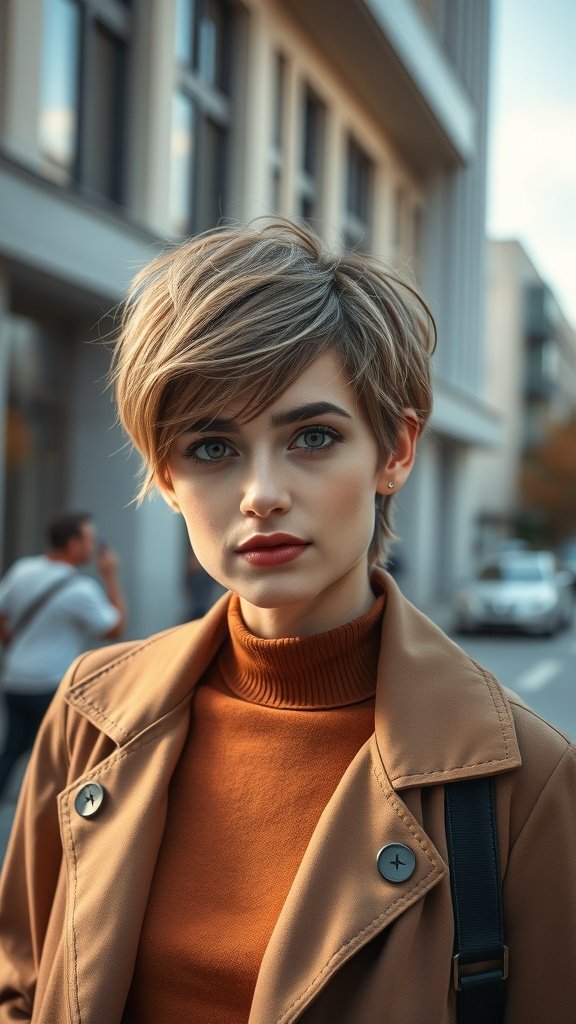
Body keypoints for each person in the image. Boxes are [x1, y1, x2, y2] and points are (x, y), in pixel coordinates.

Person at [0, 221, 575, 1023]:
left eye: (312, 437)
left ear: (394, 451)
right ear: (165, 476)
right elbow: (22, 989)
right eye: (211, 446)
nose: (260, 493)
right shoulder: (93, 711)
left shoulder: (527, 783)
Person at [0, 511, 125, 800]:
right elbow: (115, 627)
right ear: (72, 544)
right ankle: (51, 812)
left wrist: (13, 645)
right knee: (59, 756)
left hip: (15, 680)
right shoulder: (81, 589)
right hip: (51, 684)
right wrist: (110, 574)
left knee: (13, 748)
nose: (93, 547)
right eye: (89, 540)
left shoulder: (23, 569)